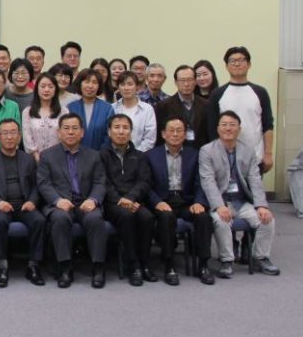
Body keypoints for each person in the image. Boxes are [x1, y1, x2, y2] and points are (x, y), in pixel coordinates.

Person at [199, 111, 280, 278]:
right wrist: (219, 206)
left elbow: (255, 180)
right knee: (221, 220)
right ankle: (227, 260)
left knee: (267, 219)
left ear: (239, 129)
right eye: (224, 125)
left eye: (232, 125)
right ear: (218, 129)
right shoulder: (207, 151)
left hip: (242, 201)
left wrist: (261, 206)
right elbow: (208, 181)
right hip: (222, 201)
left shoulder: (248, 151)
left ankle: (260, 257)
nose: (228, 128)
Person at [37, 113, 108, 288]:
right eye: (66, 128)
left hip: (85, 202)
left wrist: (93, 199)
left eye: (75, 128)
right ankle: (65, 267)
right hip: (60, 203)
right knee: (60, 218)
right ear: (59, 132)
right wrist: (57, 200)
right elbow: (43, 183)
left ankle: (98, 268)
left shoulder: (93, 155)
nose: (70, 132)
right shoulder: (47, 155)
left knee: (95, 218)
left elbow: (100, 182)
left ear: (82, 132)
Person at [101, 114, 167, 287]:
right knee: (126, 216)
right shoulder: (101, 155)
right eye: (117, 127)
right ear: (109, 131)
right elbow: (102, 182)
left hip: (134, 200)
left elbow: (144, 181)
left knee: (147, 217)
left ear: (131, 132)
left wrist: (131, 198)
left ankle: (145, 263)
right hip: (111, 204)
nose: (121, 131)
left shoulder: (140, 156)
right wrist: (120, 200)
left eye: (125, 128)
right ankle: (133, 265)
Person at [147, 116, 214, 285]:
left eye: (179, 131)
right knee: (166, 217)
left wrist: (199, 202)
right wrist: (157, 202)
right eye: (171, 130)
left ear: (185, 134)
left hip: (186, 201)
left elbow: (201, 182)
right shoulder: (151, 156)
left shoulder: (195, 155)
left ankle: (203, 265)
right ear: (163, 134)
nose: (175, 134)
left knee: (203, 217)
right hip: (163, 200)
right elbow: (146, 186)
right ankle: (169, 265)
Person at [0, 119, 45, 287]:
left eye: (13, 133)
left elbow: (37, 185)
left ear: (19, 136)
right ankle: (1, 266)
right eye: (5, 133)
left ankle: (33, 266)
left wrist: (32, 201)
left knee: (39, 220)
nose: (9, 137)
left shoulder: (28, 159)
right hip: (0, 205)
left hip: (24, 205)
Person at [206, 46, 274, 173]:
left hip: (255, 157)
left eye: (241, 60)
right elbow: (212, 127)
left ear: (249, 64)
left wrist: (268, 153)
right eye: (232, 61)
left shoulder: (260, 92)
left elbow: (268, 125)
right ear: (226, 66)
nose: (237, 64)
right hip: (225, 159)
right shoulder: (217, 94)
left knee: (254, 186)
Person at [155, 65, 211, 149]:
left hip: (201, 151)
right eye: (182, 80)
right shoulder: (164, 106)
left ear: (195, 81)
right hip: (175, 151)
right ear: (176, 82)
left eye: (189, 80)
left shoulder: (206, 104)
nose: (186, 84)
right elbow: (159, 136)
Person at [22, 72, 64, 161]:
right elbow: (27, 138)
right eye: (43, 86)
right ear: (37, 89)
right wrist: (37, 158)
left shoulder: (63, 111)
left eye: (50, 86)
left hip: (58, 159)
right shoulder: (27, 112)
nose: (46, 90)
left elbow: (64, 136)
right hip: (34, 160)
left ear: (55, 90)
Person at [112, 72, 156, 152]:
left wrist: (135, 154)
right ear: (118, 87)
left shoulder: (147, 109)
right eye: (122, 84)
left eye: (130, 84)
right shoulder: (112, 108)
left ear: (137, 87)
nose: (126, 88)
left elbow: (149, 139)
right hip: (114, 155)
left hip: (140, 155)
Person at [71, 68, 112, 150]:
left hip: (100, 155)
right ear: (80, 84)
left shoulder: (107, 109)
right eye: (87, 82)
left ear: (99, 86)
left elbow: (110, 135)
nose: (90, 86)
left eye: (94, 82)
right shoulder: (71, 108)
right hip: (74, 154)